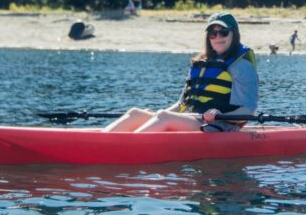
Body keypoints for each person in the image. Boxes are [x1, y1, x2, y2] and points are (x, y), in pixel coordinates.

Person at [103, 12, 257, 133]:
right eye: (212, 33)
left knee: (164, 117)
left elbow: (248, 111)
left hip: (218, 125)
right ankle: (101, 142)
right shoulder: (200, 64)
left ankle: (126, 147)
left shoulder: (241, 65)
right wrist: (157, 115)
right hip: (192, 119)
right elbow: (181, 104)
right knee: (136, 113)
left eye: (223, 32)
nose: (218, 37)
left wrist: (219, 115)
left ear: (234, 34)